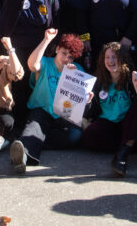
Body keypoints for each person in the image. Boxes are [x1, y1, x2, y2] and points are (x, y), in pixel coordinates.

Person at [9, 30, 89, 175]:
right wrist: (46, 40)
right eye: (64, 53)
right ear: (57, 49)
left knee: (75, 136)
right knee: (36, 126)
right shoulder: (45, 62)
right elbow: (32, 65)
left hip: (62, 115)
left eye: (70, 57)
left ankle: (27, 141)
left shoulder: (77, 70)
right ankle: (22, 158)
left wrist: (86, 99)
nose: (66, 59)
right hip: (41, 110)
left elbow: (76, 105)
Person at [82, 42, 137, 177]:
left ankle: (122, 156)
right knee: (89, 136)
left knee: (136, 110)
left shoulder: (132, 79)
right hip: (109, 124)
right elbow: (92, 111)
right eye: (107, 57)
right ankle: (129, 144)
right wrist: (88, 102)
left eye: (114, 57)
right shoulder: (99, 80)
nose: (110, 61)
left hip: (127, 123)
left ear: (122, 59)